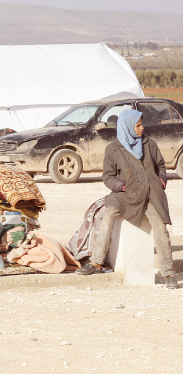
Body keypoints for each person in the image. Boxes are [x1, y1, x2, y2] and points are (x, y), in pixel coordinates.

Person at [76, 109, 178, 289]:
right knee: (107, 215)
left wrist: (161, 181)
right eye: (137, 125)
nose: (141, 128)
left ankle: (168, 272)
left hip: (149, 193)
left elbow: (161, 166)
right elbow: (108, 177)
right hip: (125, 194)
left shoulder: (149, 144)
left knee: (161, 228)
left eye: (141, 124)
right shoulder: (113, 149)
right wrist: (121, 187)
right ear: (127, 126)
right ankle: (96, 262)